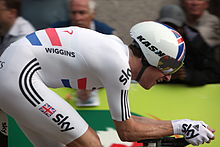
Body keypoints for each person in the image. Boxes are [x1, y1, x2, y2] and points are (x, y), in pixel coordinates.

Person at [0, 21, 215, 147]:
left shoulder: (116, 55)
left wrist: (174, 129)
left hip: (16, 71)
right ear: (151, 56)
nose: (168, 77)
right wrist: (181, 125)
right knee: (91, 143)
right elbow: (127, 132)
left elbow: (128, 121)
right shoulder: (118, 66)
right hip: (19, 74)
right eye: (168, 68)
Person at [52, 0, 116, 106]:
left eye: (82, 13)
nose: (77, 18)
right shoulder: (56, 31)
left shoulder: (107, 34)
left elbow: (114, 68)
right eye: (73, 13)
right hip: (62, 94)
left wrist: (92, 85)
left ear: (93, 13)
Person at [158, 4, 220, 85]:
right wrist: (163, 76)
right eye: (166, 27)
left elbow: (214, 75)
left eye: (174, 28)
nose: (170, 31)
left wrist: (187, 75)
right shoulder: (151, 43)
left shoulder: (195, 43)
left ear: (182, 28)